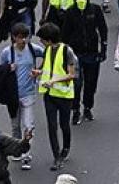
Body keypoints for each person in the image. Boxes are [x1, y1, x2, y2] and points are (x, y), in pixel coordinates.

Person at [0, 23, 42, 171]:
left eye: (25, 37)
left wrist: (39, 71)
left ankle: (26, 155)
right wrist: (8, 68)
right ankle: (17, 148)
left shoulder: (32, 49)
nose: (23, 40)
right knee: (15, 125)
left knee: (28, 125)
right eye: (20, 37)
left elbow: (49, 55)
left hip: (28, 93)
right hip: (13, 95)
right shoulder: (7, 52)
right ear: (14, 37)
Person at [62, 0, 108, 124]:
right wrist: (65, 55)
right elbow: (65, 34)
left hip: (92, 53)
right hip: (76, 54)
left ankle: (88, 107)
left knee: (91, 83)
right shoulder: (70, 12)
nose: (80, 0)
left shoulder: (94, 10)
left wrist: (103, 50)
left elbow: (102, 29)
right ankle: (75, 109)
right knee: (76, 83)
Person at [35, 23, 76, 171]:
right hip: (49, 95)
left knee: (64, 125)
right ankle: (56, 156)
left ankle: (66, 148)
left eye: (43, 39)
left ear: (49, 39)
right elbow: (47, 67)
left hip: (64, 95)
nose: (41, 42)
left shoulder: (67, 51)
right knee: (52, 126)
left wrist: (53, 80)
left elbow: (71, 74)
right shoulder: (47, 50)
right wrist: (38, 73)